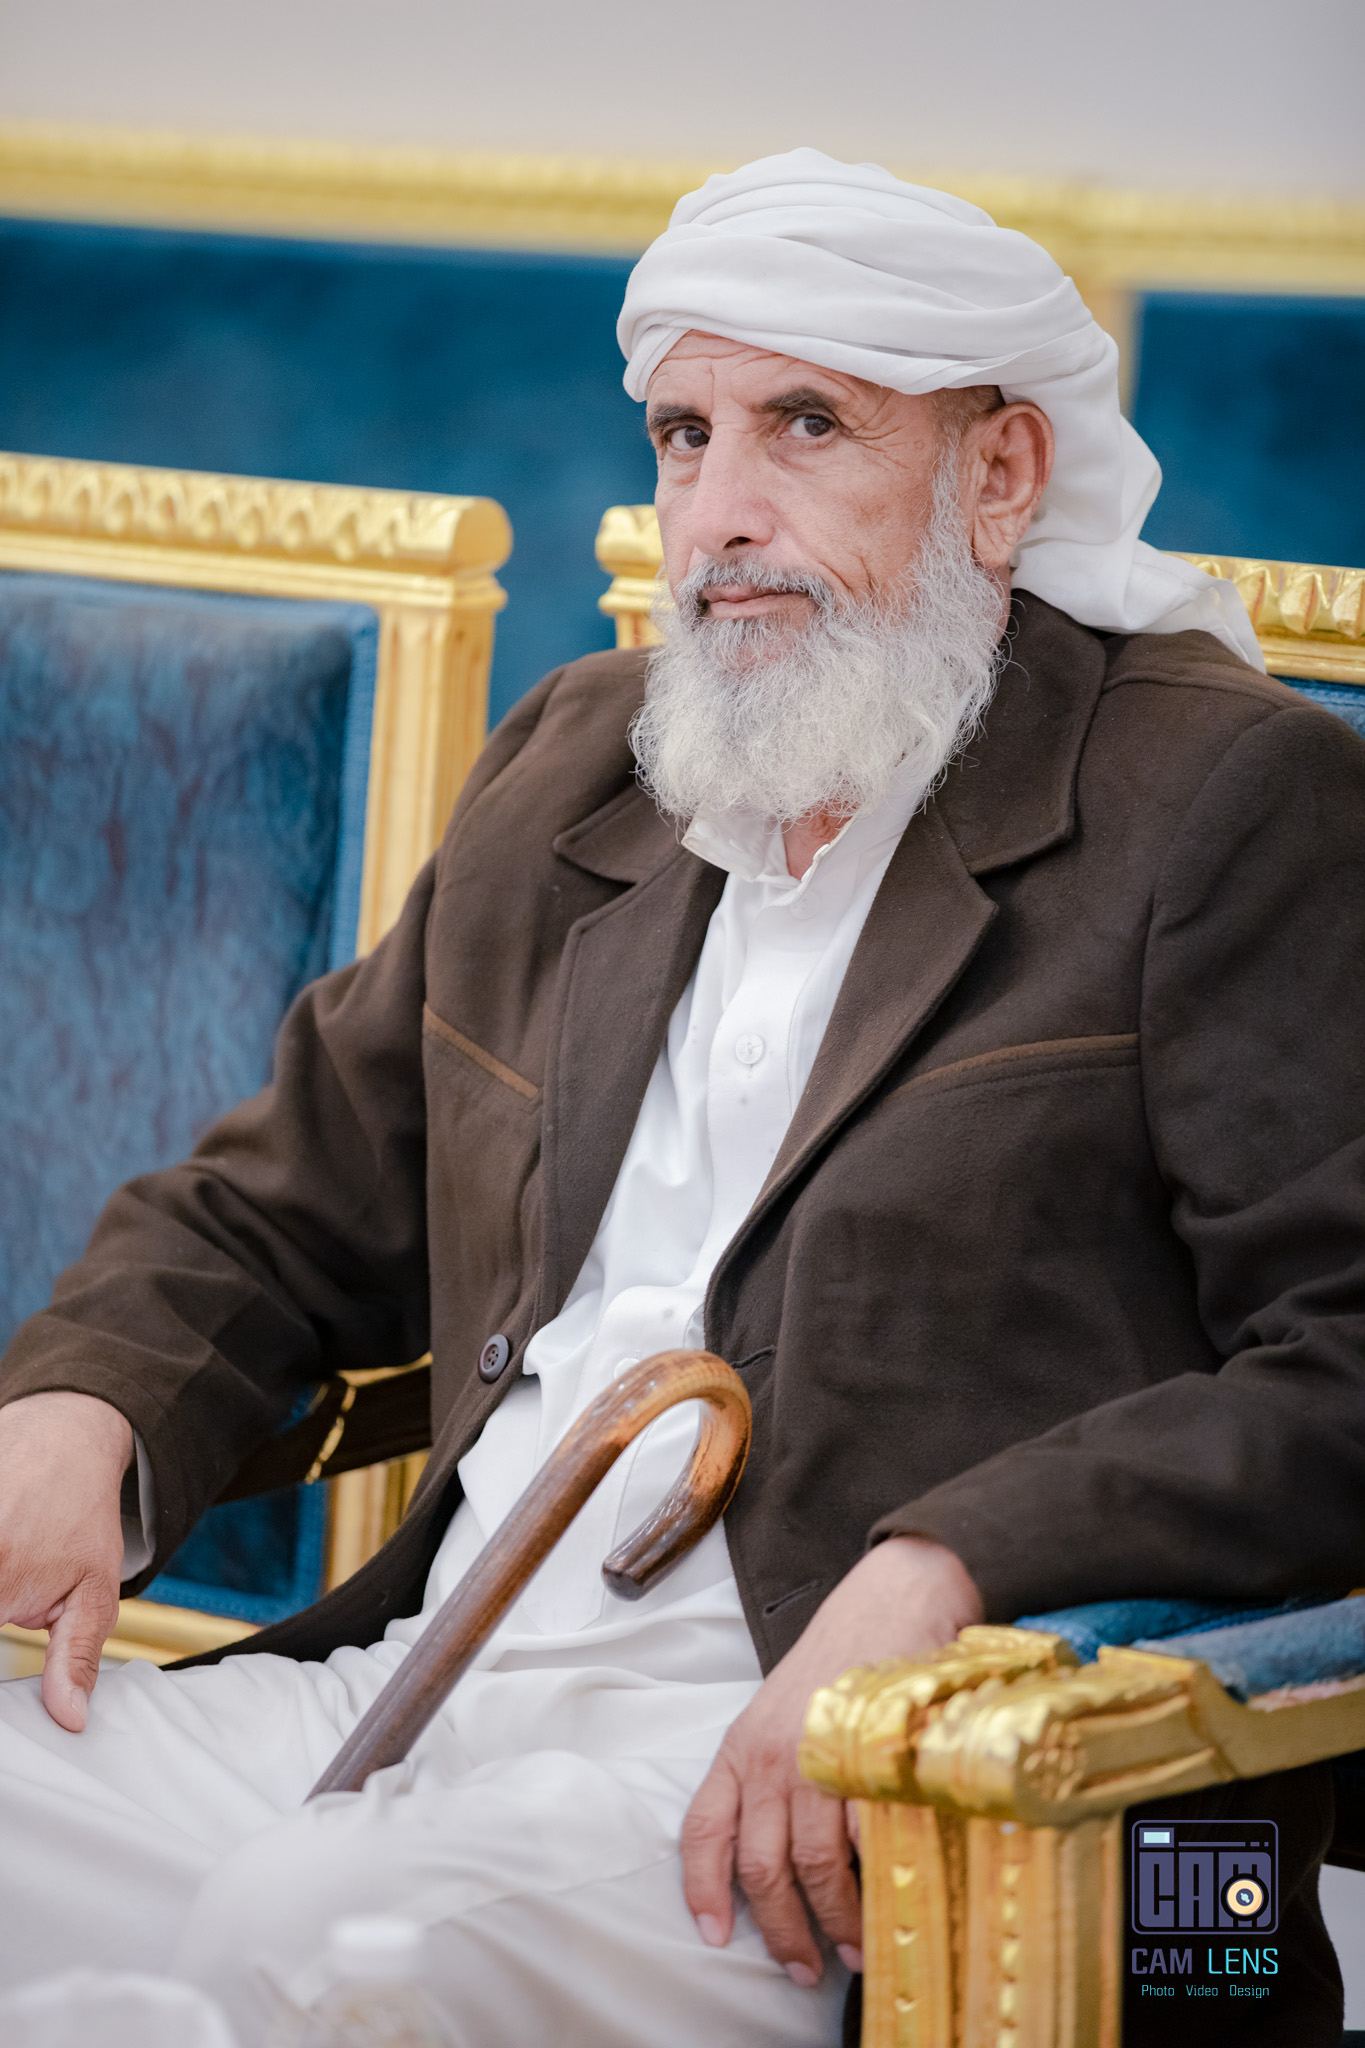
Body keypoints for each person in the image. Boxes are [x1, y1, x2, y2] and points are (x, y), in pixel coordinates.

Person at [0, 150, 1359, 2047]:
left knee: (314, 1940)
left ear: (998, 474)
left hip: (853, 1787)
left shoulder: (1218, 804)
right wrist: (84, 1411)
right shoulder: (583, 762)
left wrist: (949, 1570)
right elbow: (278, 1202)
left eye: (805, 425)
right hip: (423, 1686)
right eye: (682, 435)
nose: (717, 512)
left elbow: (1341, 1358)